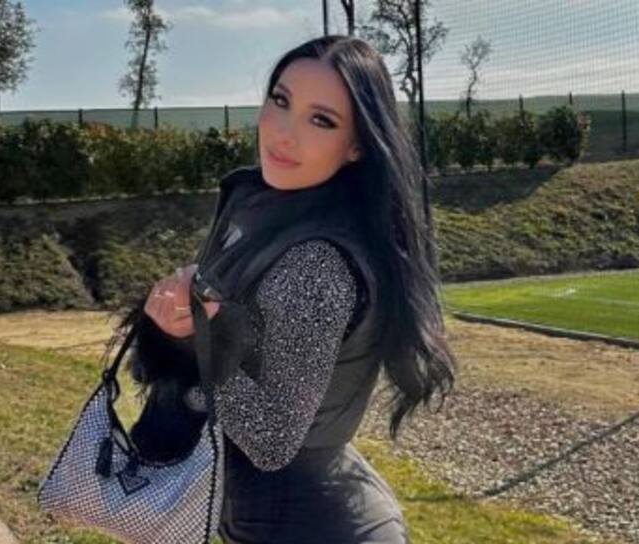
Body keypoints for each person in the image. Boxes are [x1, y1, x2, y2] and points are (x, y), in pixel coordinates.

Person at [138, 34, 458, 543]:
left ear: (357, 145)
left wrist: (196, 340)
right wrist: (176, 326)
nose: (284, 133)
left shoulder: (316, 262)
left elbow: (270, 439)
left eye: (321, 120)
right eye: (281, 101)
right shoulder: (264, 211)